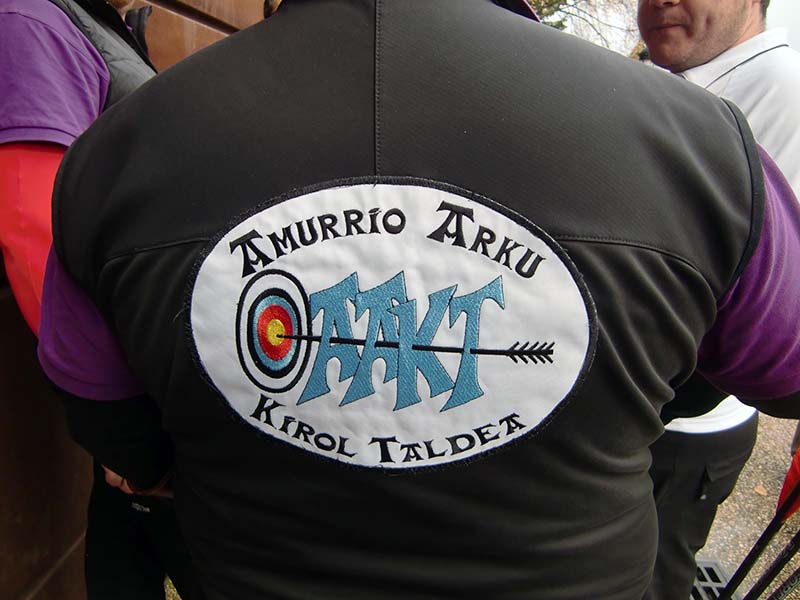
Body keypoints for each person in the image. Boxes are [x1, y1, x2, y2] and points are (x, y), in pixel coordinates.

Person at [36, 0, 800, 598]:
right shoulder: (695, 145)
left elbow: (110, 422)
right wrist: (643, 390)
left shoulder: (117, 151)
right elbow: (785, 372)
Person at [0, 1, 201, 598]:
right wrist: (126, 432)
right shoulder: (28, 20)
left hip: (152, 380)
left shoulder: (86, 18)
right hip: (138, 402)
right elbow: (33, 236)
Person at [637, 0, 800, 596]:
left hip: (675, 425)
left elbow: (759, 297)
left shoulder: (780, 88)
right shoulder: (663, 77)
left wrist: (617, 410)